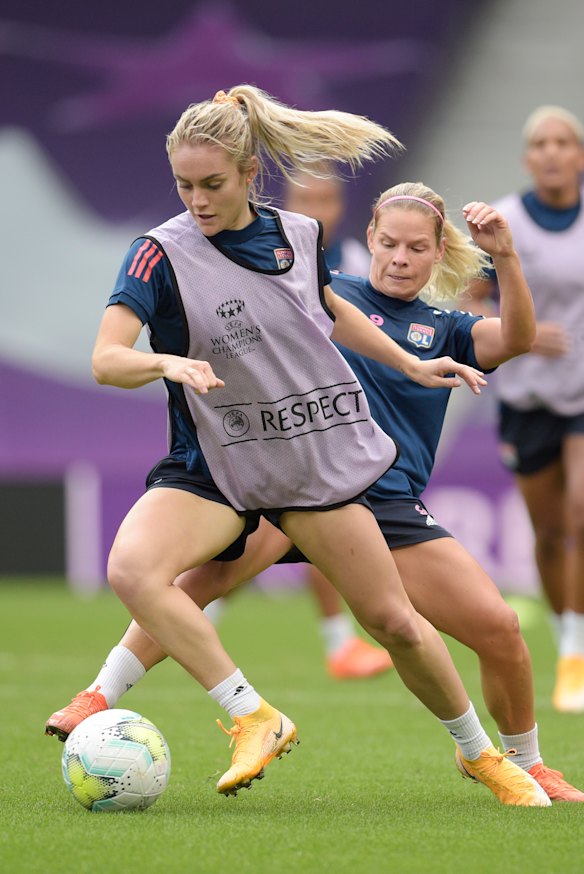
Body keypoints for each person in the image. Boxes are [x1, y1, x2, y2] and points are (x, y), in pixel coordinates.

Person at [44, 122, 555, 807]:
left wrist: (434, 336)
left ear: (438, 255)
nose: (196, 199)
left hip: (340, 473)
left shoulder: (387, 291)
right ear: (369, 237)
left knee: (427, 625)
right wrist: (164, 359)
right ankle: (158, 700)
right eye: (185, 185)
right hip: (244, 463)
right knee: (172, 578)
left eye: (416, 248)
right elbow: (113, 354)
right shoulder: (186, 255)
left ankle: (497, 757)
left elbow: (498, 335)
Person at [205, 165, 390, 681]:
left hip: (332, 421)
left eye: (327, 199)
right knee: (272, 533)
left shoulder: (356, 262)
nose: (317, 210)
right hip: (270, 422)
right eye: (306, 200)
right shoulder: (260, 258)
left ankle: (336, 642)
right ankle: (185, 615)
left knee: (294, 530)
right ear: (285, 203)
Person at [465, 105, 584, 714]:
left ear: (580, 155)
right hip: (526, 395)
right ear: (527, 158)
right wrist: (524, 333)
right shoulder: (505, 223)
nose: (554, 152)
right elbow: (468, 307)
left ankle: (576, 654)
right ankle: (567, 631)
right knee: (549, 532)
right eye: (542, 143)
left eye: (565, 141)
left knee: (581, 509)